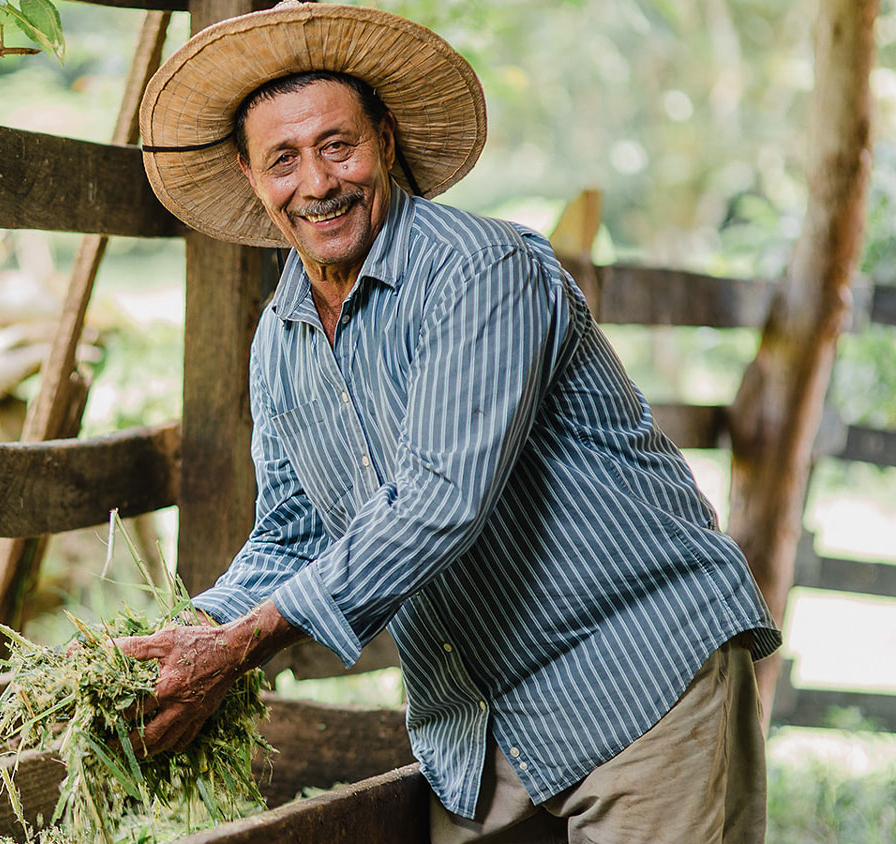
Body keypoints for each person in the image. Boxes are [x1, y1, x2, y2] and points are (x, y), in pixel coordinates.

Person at [119, 3, 781, 842]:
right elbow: (292, 534)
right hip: (482, 729)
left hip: (639, 675)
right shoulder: (279, 339)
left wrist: (243, 646)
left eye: (337, 146)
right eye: (282, 159)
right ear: (252, 180)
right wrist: (199, 633)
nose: (317, 182)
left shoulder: (483, 270)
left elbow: (440, 498)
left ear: (385, 144)